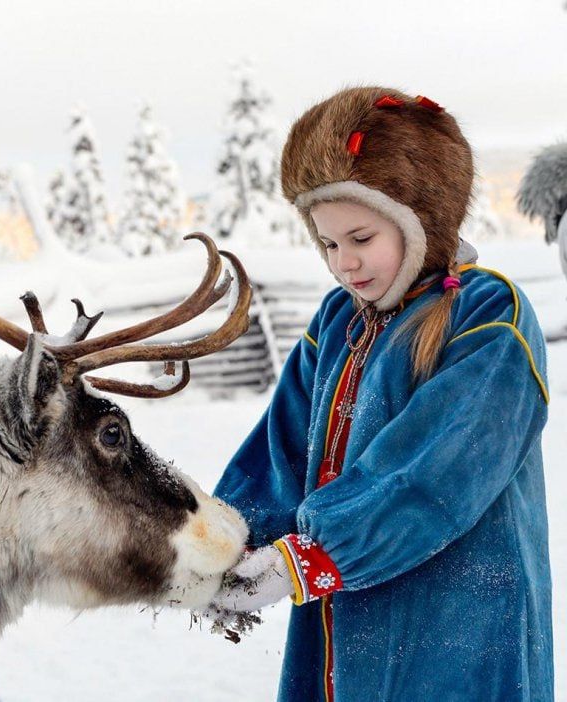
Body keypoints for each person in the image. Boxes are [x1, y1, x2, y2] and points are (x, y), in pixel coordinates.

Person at [207, 87, 553, 701]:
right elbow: (280, 451)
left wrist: (313, 555)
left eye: (361, 238)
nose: (345, 263)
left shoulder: (489, 315)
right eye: (329, 244)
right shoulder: (338, 320)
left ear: (420, 218)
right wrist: (224, 539)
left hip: (459, 625)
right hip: (345, 621)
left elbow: (437, 472)